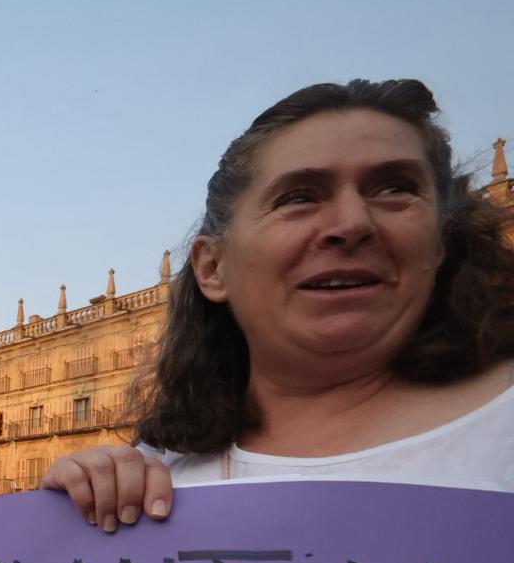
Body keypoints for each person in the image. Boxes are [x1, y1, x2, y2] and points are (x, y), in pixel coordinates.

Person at [42, 79, 514, 516]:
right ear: (212, 268)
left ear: (442, 242)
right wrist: (55, 525)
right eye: (299, 197)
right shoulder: (151, 480)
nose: (351, 223)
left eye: (395, 189)